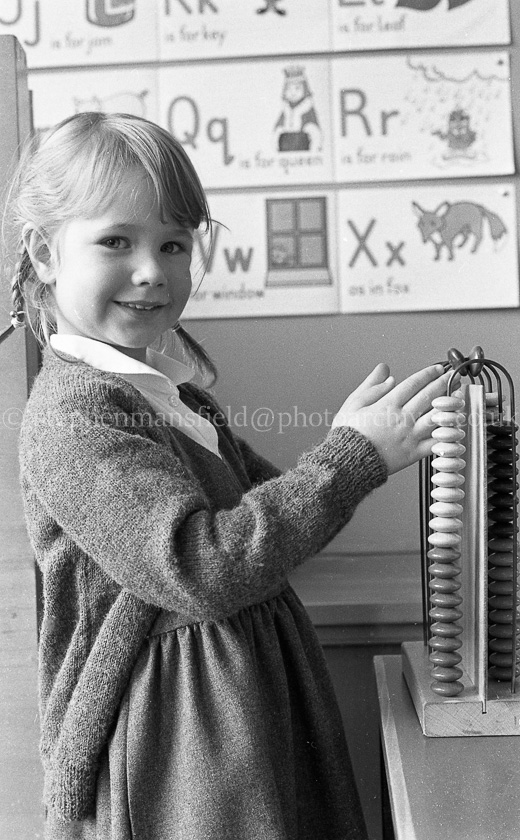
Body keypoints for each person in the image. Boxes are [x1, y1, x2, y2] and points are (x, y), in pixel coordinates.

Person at [7, 112, 451, 840]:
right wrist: (350, 457)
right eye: (117, 240)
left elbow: (268, 527)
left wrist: (360, 443)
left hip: (241, 696)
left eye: (173, 244)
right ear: (45, 252)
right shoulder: (74, 419)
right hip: (179, 729)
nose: (152, 270)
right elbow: (204, 566)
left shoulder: (169, 393)